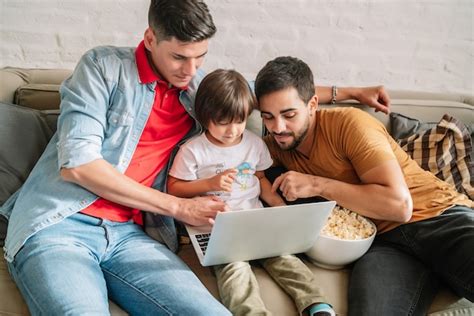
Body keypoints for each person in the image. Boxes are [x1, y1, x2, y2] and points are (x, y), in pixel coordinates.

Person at [0, 0, 391, 314]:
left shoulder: (198, 88)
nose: (191, 70)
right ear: (150, 38)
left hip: (134, 236)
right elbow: (78, 165)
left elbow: (266, 91)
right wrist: (179, 207)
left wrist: (351, 92)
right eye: (180, 58)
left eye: (200, 57)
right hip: (62, 225)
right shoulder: (102, 68)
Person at [253, 56, 474, 316]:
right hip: (383, 244)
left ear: (312, 104)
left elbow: (400, 207)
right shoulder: (270, 150)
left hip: (438, 215)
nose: (278, 128)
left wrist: (316, 184)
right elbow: (231, 97)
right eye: (267, 117)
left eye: (289, 115)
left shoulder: (349, 125)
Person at [167, 68, 336, 316]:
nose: (232, 130)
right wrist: (209, 184)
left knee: (287, 260)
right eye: (222, 123)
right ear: (205, 117)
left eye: (239, 121)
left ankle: (317, 305)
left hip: (257, 223)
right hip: (218, 230)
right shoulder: (194, 150)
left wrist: (278, 207)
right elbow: (174, 188)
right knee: (235, 272)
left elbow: (259, 178)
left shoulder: (254, 144)